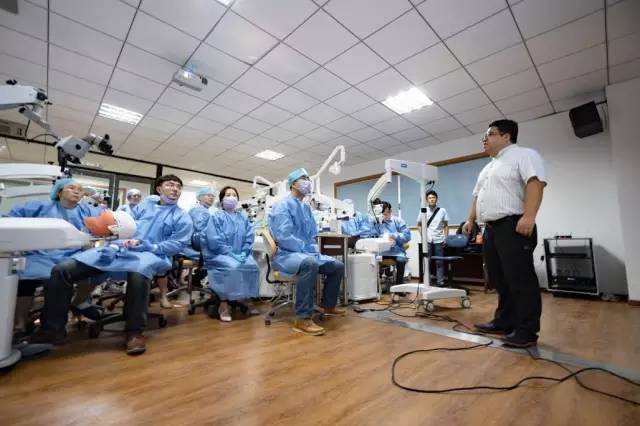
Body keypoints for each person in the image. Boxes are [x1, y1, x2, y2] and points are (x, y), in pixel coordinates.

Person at [30, 174, 193, 355]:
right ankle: (52, 329)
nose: (175, 189)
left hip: (152, 253)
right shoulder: (143, 207)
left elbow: (178, 243)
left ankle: (134, 332)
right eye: (170, 185)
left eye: (178, 187)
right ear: (159, 189)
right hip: (120, 248)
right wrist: (113, 240)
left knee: (139, 272)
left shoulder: (182, 217)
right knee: (61, 271)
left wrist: (152, 246)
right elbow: (121, 225)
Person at [463, 119, 546, 348]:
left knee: (520, 279)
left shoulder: (524, 155)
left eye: (490, 134)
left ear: (506, 136)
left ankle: (527, 331)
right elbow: (477, 196)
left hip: (513, 226)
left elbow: (535, 183)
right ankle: (504, 321)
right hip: (490, 229)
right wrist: (470, 219)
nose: (485, 139)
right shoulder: (488, 167)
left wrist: (529, 216)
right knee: (498, 278)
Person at [5, 178, 96, 337]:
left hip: (72, 256)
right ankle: (20, 324)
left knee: (77, 273)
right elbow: (10, 219)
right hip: (40, 254)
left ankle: (68, 311)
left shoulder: (87, 211)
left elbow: (106, 224)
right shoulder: (39, 207)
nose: (77, 191)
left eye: (80, 189)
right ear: (59, 192)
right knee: (24, 279)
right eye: (71, 188)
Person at [268, 168, 345, 336]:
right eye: (303, 178)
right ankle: (302, 319)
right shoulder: (282, 205)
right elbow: (283, 236)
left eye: (308, 178)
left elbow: (311, 235)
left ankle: (328, 305)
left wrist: (311, 249)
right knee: (310, 264)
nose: (307, 182)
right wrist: (305, 249)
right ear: (293, 184)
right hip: (286, 255)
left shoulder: (306, 208)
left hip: (305, 253)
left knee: (338, 266)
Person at [201, 186, 259, 321]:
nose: (231, 197)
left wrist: (244, 251)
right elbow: (214, 240)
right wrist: (231, 254)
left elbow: (249, 237)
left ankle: (246, 299)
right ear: (222, 200)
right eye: (228, 195)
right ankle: (223, 304)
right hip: (219, 254)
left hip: (240, 254)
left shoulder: (243, 217)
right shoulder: (216, 217)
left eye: (234, 195)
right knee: (232, 267)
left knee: (253, 266)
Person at [371, 199, 411, 286]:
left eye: (386, 214)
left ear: (390, 211)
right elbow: (373, 235)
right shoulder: (377, 223)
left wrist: (395, 236)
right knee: (369, 260)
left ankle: (399, 287)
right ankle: (375, 286)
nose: (383, 217)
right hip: (381, 252)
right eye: (382, 214)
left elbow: (407, 236)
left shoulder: (398, 221)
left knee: (401, 261)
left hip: (396, 252)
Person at [416, 190, 449, 286]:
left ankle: (440, 281)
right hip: (428, 240)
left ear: (436, 199)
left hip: (439, 239)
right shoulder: (423, 210)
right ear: (427, 200)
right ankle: (427, 280)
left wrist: (446, 238)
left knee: (440, 261)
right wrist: (423, 235)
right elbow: (418, 225)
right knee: (427, 261)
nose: (432, 199)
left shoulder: (442, 210)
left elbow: (446, 225)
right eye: (430, 198)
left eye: (433, 197)